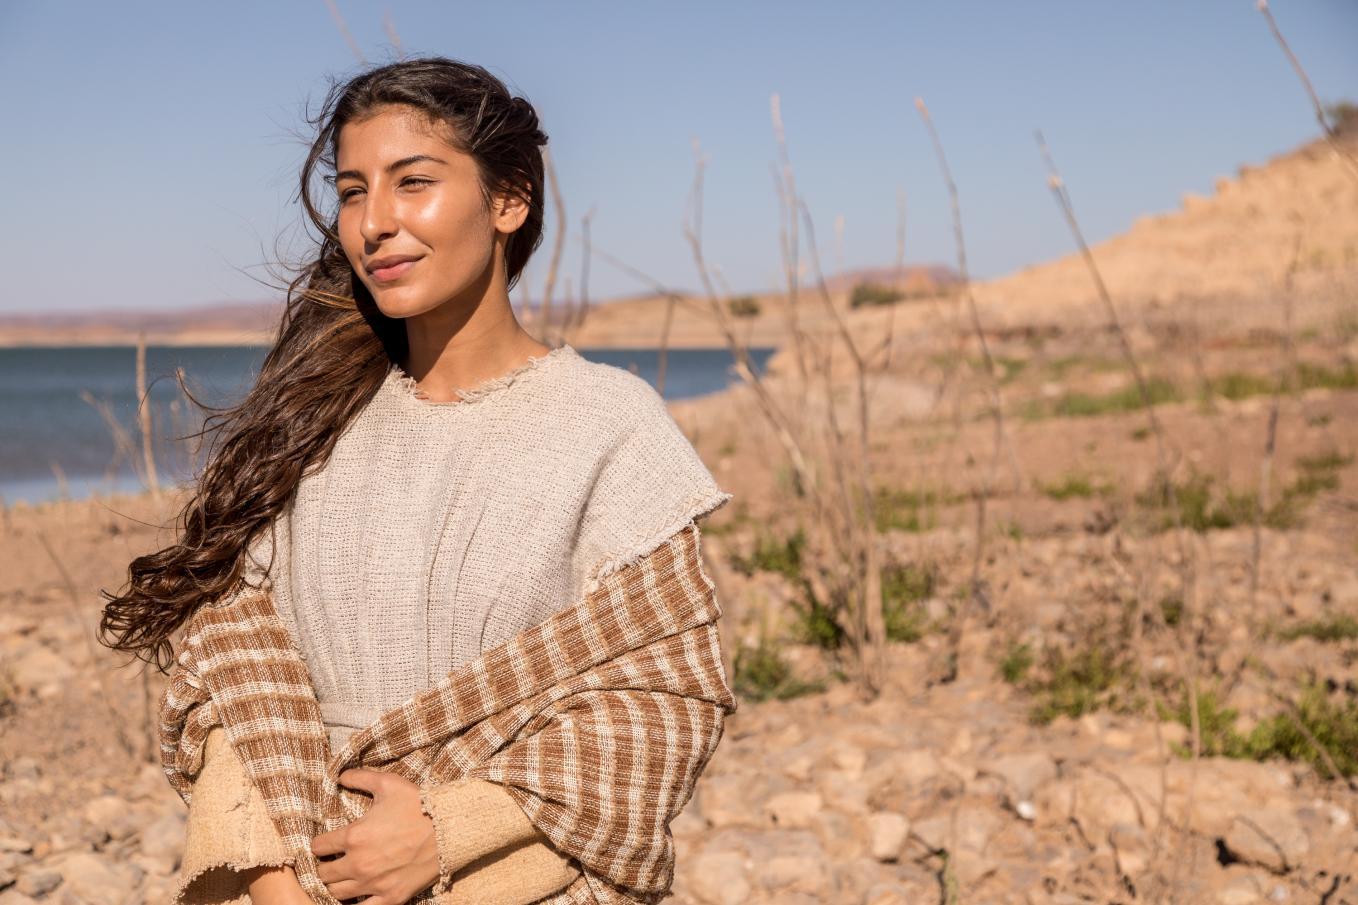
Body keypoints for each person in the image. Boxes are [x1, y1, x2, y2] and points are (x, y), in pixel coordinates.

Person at [99, 57, 734, 905]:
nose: (375, 223)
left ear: (509, 201)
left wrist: (447, 827)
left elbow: (661, 696)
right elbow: (227, 681)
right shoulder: (304, 426)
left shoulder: (609, 426)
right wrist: (279, 880)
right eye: (354, 190)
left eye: (415, 182)